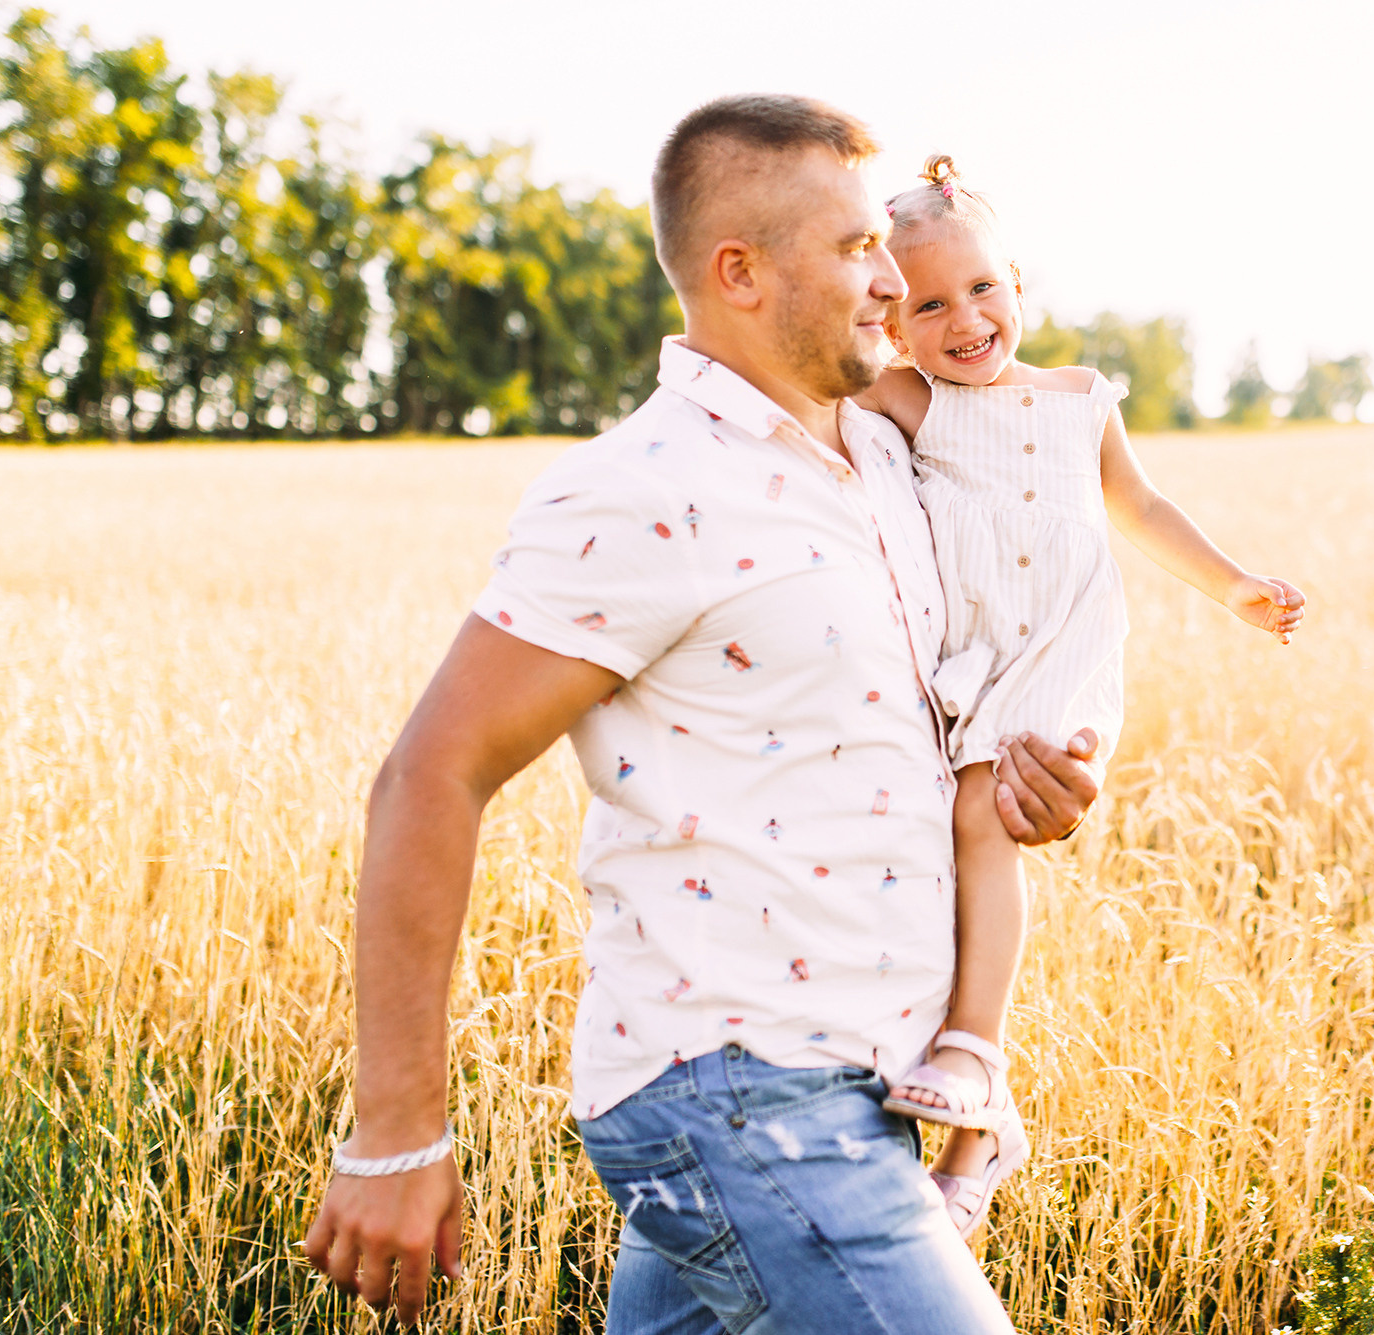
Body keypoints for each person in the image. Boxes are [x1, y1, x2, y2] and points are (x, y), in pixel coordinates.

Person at [301, 96, 1102, 1332]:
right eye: (853, 249)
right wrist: (396, 1132)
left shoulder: (888, 460)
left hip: (864, 1089)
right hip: (739, 1093)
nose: (891, 281)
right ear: (738, 271)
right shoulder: (642, 490)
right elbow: (432, 773)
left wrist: (1014, 787)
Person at [855, 156, 1305, 1234]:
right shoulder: (906, 398)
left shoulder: (1077, 400)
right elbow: (804, 376)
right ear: (894, 323)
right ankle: (971, 1140)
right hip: (967, 661)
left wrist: (1232, 587)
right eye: (926, 304)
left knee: (984, 816)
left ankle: (971, 1051)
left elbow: (1140, 508)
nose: (964, 319)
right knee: (943, 846)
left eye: (981, 288)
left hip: (1056, 652)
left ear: (1018, 281)